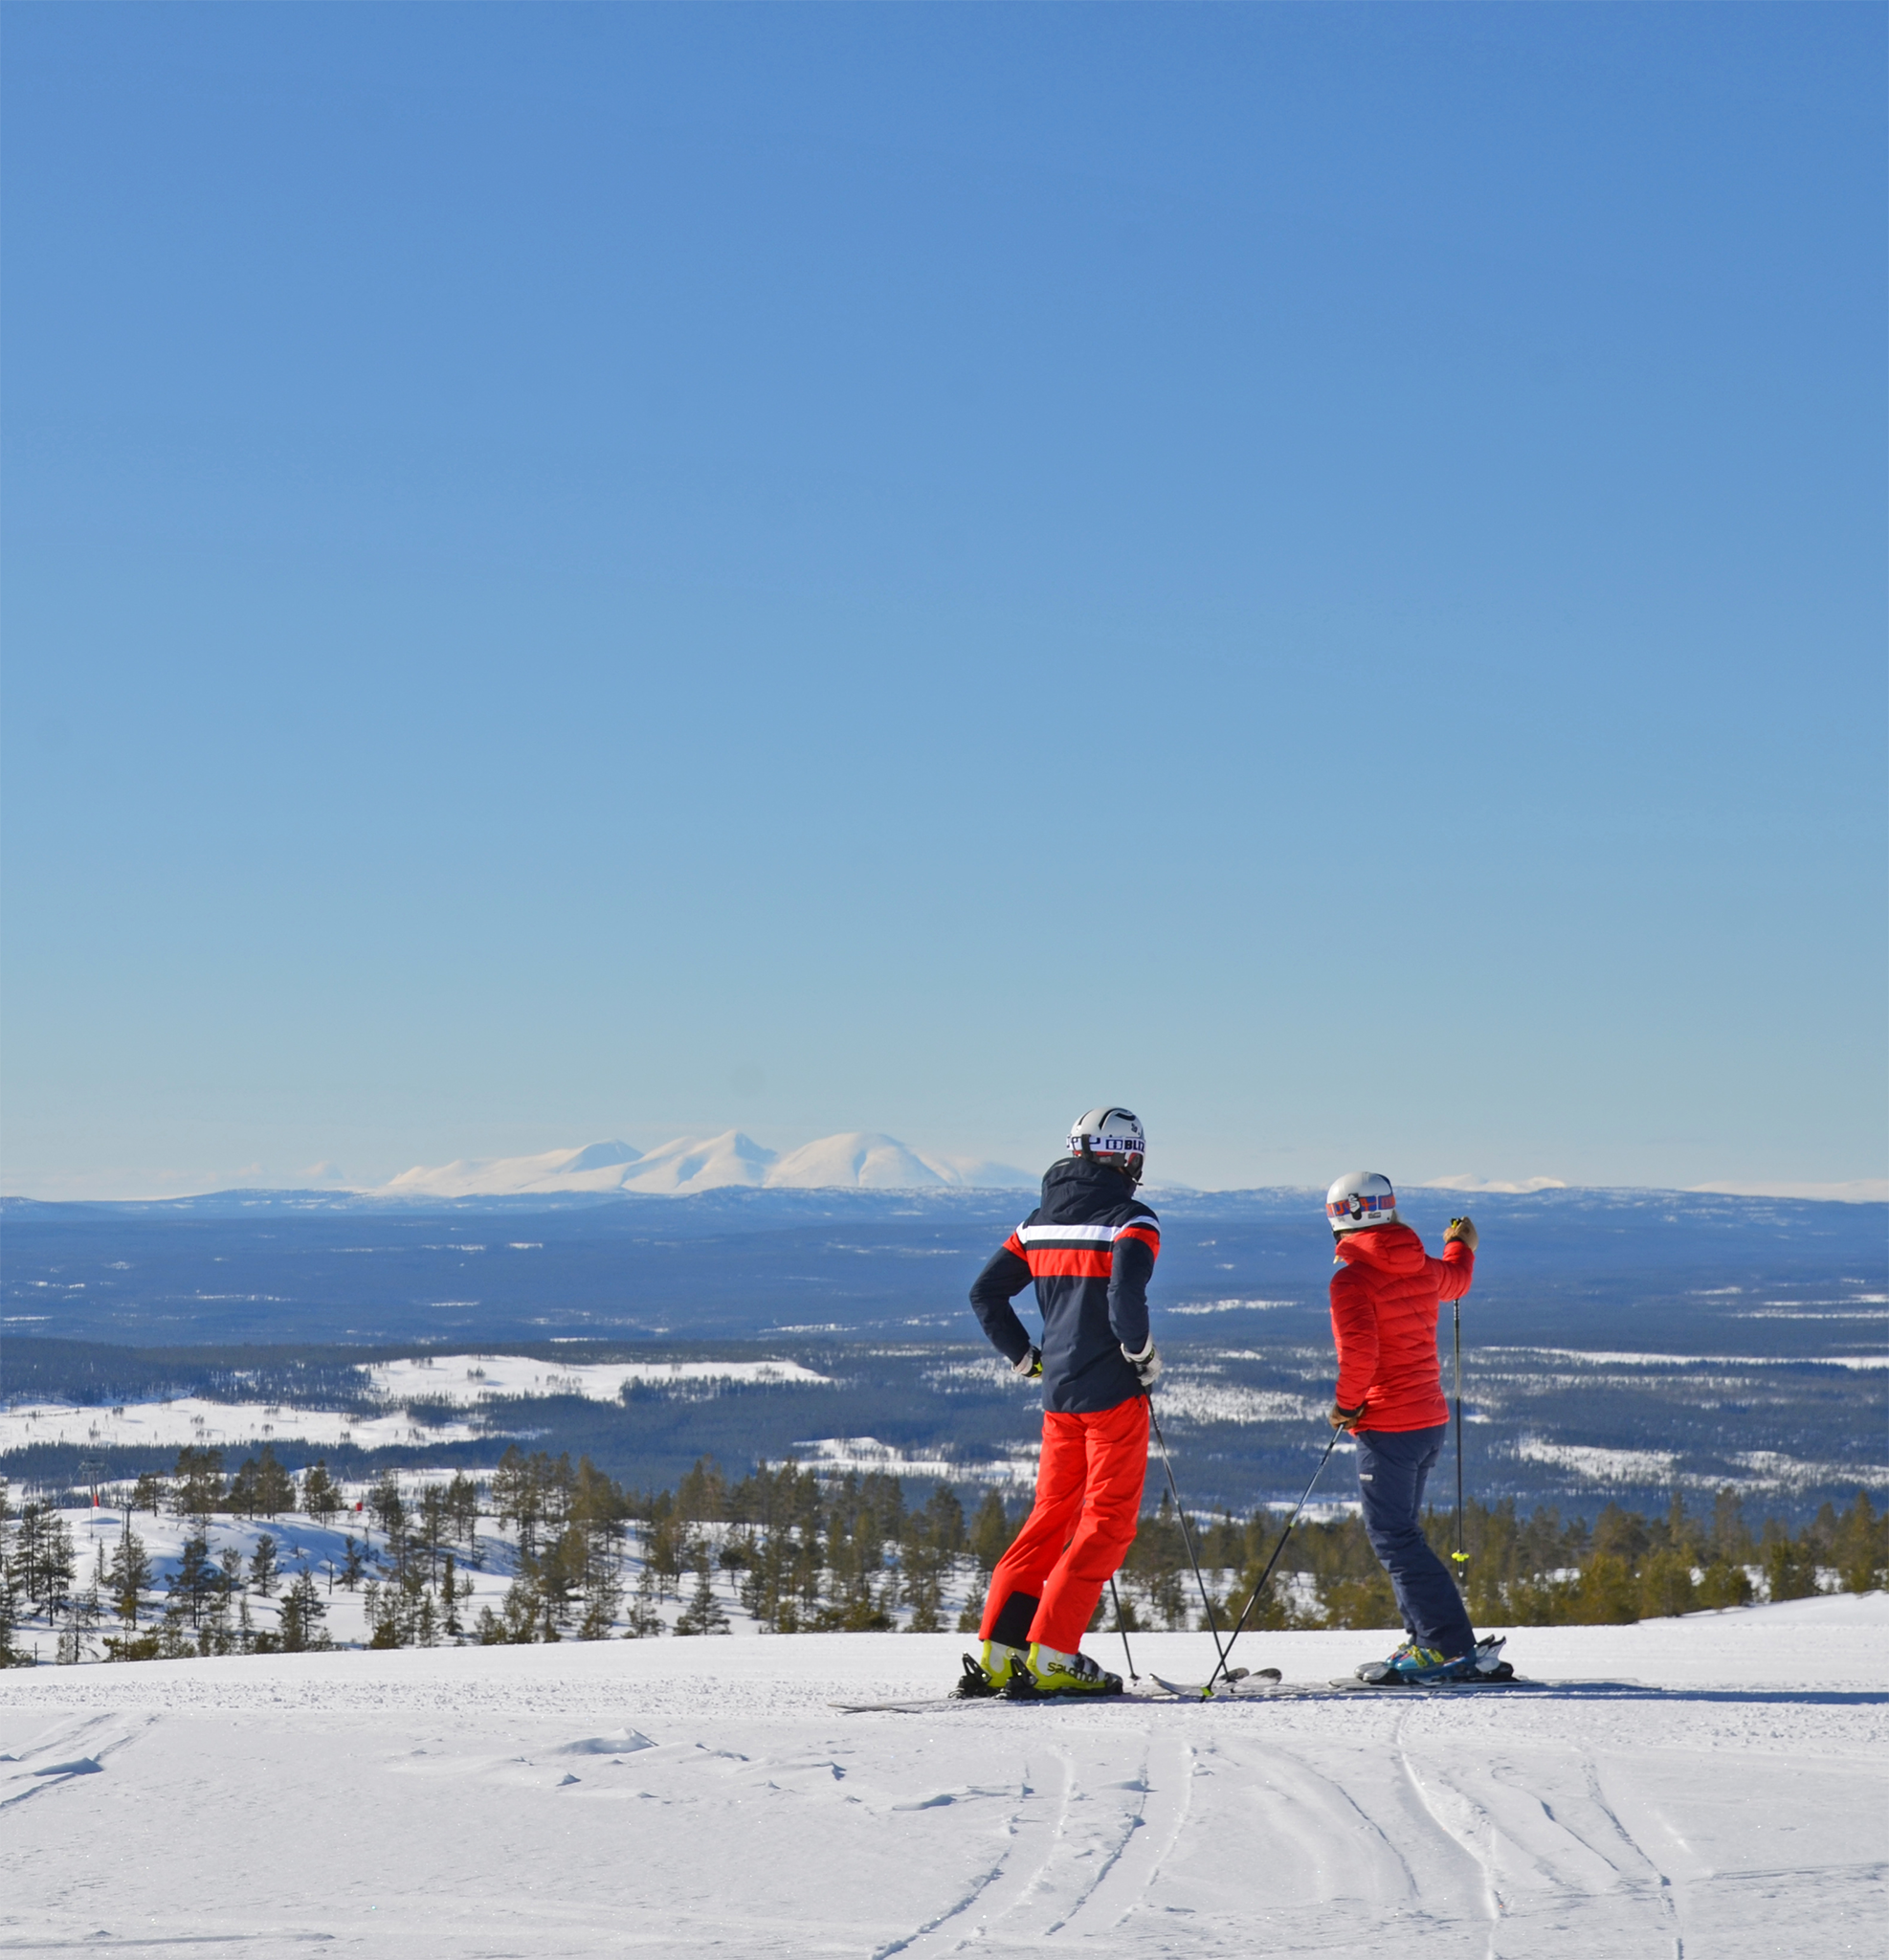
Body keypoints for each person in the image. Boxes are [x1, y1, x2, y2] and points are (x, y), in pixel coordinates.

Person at [962, 1107, 1163, 1697]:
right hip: (1113, 1400)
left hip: (1060, 1399)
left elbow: (985, 1293)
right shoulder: (1133, 1221)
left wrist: (1026, 1358)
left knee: (1050, 1519)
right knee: (1107, 1524)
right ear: (1127, 1157)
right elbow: (1126, 1295)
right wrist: (1141, 1353)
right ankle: (1053, 1654)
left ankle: (1001, 1652)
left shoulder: (1037, 1222)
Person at [1322, 1171, 1509, 1684]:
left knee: (1394, 1537)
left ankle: (1445, 1644)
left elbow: (1360, 1354)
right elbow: (1457, 1280)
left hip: (1388, 1426)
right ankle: (1425, 1638)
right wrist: (1459, 1245)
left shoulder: (1351, 1280)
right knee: (1402, 1531)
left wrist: (1344, 1407)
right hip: (1428, 1421)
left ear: (1337, 1220)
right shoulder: (1422, 1267)